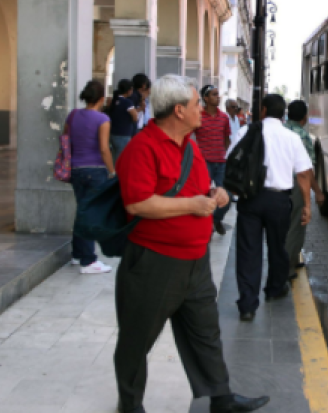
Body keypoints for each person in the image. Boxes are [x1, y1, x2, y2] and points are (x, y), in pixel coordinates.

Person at [114, 75, 269, 413]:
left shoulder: (191, 146)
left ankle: (221, 398)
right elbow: (138, 204)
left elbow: (202, 188)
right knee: (136, 339)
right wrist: (193, 205)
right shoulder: (143, 147)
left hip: (195, 261)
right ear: (180, 110)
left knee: (206, 333)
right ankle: (129, 405)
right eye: (198, 104)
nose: (203, 110)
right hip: (155, 261)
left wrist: (216, 193)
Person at [229, 94, 313, 321]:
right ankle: (275, 288)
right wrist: (306, 204)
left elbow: (231, 161)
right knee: (279, 247)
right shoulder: (292, 137)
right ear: (282, 113)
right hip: (279, 200)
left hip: (251, 199)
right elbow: (304, 173)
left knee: (248, 251)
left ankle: (247, 304)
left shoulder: (245, 132)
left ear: (263, 110)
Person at [67, 80, 115, 274]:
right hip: (95, 170)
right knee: (91, 213)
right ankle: (88, 260)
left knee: (81, 210)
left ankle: (77, 254)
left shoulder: (73, 115)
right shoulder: (102, 119)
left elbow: (65, 139)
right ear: (102, 99)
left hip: (76, 168)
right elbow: (104, 148)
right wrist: (112, 170)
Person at [283, 100, 325, 279]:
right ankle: (287, 266)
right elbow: (306, 171)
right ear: (304, 117)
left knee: (284, 226)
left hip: (278, 187)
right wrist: (317, 191)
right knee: (296, 227)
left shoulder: (282, 131)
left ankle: (289, 259)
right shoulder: (302, 136)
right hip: (295, 187)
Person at [194, 85, 231, 235]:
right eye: (214, 94)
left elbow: (227, 139)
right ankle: (204, 226)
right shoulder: (198, 115)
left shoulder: (224, 117)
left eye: (218, 94)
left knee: (227, 197)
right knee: (202, 195)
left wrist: (228, 156)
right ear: (206, 98)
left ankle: (216, 219)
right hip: (204, 163)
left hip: (221, 162)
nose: (218, 96)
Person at [108, 79, 138, 162]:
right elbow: (135, 117)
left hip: (112, 133)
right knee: (121, 159)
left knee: (114, 156)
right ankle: (116, 174)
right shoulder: (128, 103)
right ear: (129, 91)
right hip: (123, 134)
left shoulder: (113, 101)